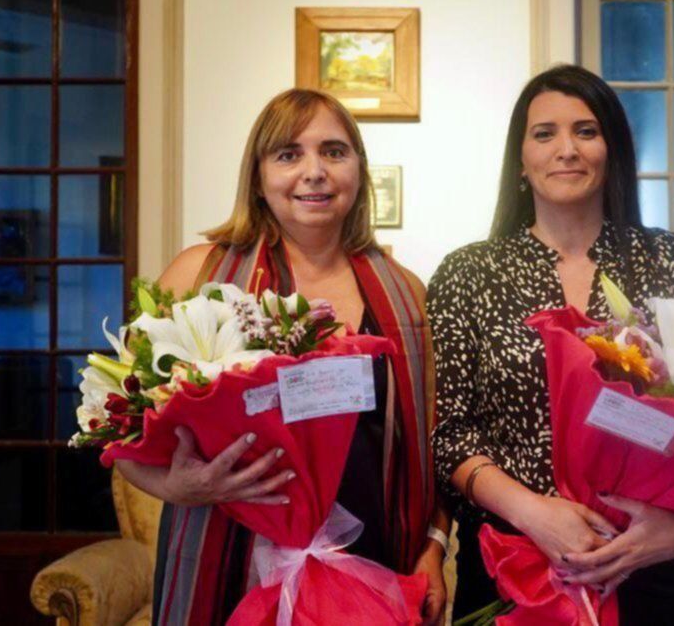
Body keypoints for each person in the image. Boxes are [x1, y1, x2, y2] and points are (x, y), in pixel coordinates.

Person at [116, 88, 449, 625]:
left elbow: (434, 441)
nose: (314, 172)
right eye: (289, 154)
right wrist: (174, 487)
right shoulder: (199, 275)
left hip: (371, 566)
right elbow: (116, 424)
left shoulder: (406, 294)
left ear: (359, 170)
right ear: (258, 177)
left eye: (334, 152)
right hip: (230, 566)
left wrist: (433, 547)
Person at [428, 64, 674, 624]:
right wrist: (534, 513)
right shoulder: (469, 273)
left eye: (586, 131)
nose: (567, 149)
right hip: (510, 560)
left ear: (612, 149)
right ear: (520, 159)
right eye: (545, 134)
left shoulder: (672, 259)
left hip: (644, 565)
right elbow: (448, 432)